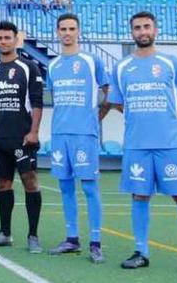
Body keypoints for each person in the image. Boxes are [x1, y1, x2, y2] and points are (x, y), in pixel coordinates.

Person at [108, 12, 177, 277]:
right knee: (139, 196)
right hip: (136, 144)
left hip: (170, 144)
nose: (142, 32)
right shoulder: (121, 67)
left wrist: (165, 119)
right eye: (137, 28)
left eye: (146, 27)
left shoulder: (171, 63)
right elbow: (118, 102)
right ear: (131, 33)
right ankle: (141, 251)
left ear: (156, 30)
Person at [46, 14, 109, 262]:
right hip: (60, 133)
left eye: (72, 28)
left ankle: (95, 242)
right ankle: (72, 239)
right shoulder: (53, 65)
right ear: (57, 32)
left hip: (85, 134)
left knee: (90, 186)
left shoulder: (92, 61)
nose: (67, 33)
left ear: (79, 31)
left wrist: (96, 117)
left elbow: (107, 92)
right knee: (65, 186)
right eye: (63, 29)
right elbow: (55, 96)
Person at [0, 21, 44, 253]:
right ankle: (5, 232)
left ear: (16, 39)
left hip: (22, 138)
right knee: (3, 183)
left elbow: (37, 102)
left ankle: (33, 235)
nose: (3, 41)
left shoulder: (28, 68)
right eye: (0, 38)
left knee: (30, 181)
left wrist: (34, 131)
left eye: (7, 37)